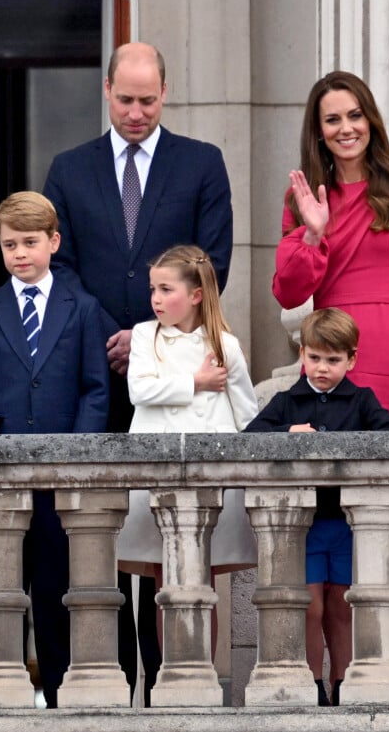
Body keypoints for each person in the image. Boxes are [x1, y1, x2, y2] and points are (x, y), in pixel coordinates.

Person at [42, 41, 233, 702]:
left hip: (178, 382)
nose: (136, 111)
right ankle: (107, 678)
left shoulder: (201, 164)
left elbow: (213, 263)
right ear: (106, 91)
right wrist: (112, 336)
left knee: (171, 540)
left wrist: (154, 336)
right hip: (94, 378)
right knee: (97, 530)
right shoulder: (69, 169)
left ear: (166, 92)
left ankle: (173, 679)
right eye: (126, 99)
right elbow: (54, 267)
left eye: (148, 100)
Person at [272, 70, 389, 624]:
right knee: (333, 507)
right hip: (328, 356)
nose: (346, 127)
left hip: (388, 357)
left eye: (355, 115)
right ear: (319, 130)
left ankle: (385, 670)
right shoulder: (302, 196)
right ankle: (334, 683)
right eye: (333, 119)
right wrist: (312, 231)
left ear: (370, 120)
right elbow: (288, 290)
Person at [0, 191, 109, 708]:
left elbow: (95, 387)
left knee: (54, 586)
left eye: (30, 242)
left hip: (62, 477)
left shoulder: (82, 308)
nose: (20, 253)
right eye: (9, 245)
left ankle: (61, 695)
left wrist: (77, 455)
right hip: (2, 477)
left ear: (53, 242)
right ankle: (5, 693)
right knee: (2, 589)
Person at [245, 308, 389, 706]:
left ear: (351, 359)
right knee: (309, 608)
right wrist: (287, 432)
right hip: (305, 525)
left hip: (347, 525)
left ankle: (342, 684)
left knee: (342, 609)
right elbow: (250, 438)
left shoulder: (362, 400)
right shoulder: (287, 400)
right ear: (302, 355)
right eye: (314, 357)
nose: (322, 368)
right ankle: (312, 683)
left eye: (333, 360)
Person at [119, 243, 258, 602]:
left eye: (166, 289)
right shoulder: (144, 336)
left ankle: (204, 663)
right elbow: (140, 390)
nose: (156, 299)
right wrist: (196, 382)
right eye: (153, 289)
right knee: (166, 583)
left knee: (203, 584)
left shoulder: (224, 345)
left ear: (196, 295)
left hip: (212, 475)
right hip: (155, 471)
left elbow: (247, 415)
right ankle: (170, 662)